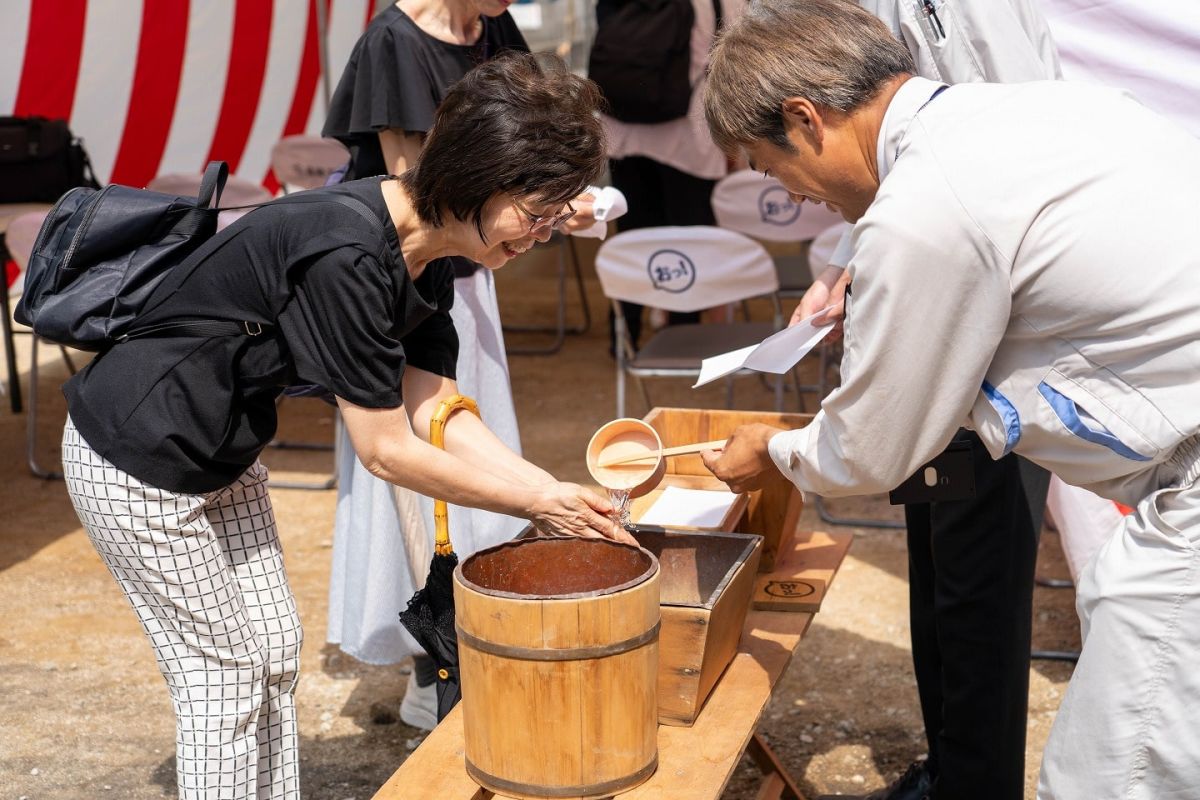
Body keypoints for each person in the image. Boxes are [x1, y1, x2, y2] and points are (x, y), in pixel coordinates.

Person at [61, 54, 627, 800]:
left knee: (275, 648)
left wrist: (548, 488)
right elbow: (387, 449)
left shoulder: (429, 253)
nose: (545, 234)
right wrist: (533, 506)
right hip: (134, 458)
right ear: (479, 176)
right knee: (224, 674)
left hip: (220, 453)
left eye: (558, 216)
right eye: (538, 212)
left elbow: (433, 403)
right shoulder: (347, 249)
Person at [699, 1, 1200, 798]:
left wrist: (772, 448)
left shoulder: (921, 206)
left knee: (1113, 774)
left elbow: (869, 446)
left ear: (806, 117)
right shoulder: (1037, 110)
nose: (796, 196)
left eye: (772, 166)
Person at [786, 3, 1059, 799]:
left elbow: (1001, 145)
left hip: (987, 338)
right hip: (945, 307)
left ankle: (975, 781)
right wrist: (847, 260)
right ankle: (952, 770)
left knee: (975, 593)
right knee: (939, 577)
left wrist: (778, 453)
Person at [320, 0, 608, 730]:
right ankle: (430, 655)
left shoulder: (494, 29)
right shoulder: (393, 41)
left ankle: (472, 630)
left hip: (465, 270)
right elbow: (419, 183)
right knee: (415, 463)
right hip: (411, 271)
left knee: (467, 431)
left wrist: (549, 206)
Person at [600, 0, 746, 351]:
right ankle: (682, 333)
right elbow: (734, 56)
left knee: (633, 233)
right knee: (689, 235)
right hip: (689, 131)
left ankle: (625, 335)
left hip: (623, 124)